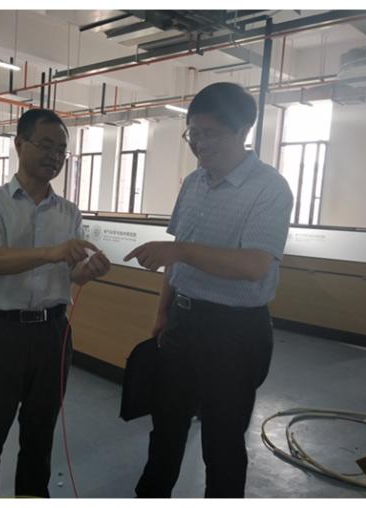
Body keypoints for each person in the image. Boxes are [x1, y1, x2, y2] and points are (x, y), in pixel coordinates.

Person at [126, 82, 294, 498]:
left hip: (235, 332)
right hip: (182, 321)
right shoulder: (193, 183)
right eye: (193, 133)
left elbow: (254, 265)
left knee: (222, 440)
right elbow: (176, 256)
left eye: (210, 133)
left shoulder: (269, 188)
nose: (199, 143)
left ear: (242, 131)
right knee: (166, 427)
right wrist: (162, 312)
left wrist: (180, 250)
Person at [0, 108, 112, 498]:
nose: (54, 156)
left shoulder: (69, 212)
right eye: (46, 145)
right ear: (19, 144)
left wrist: (89, 270)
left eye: (61, 150)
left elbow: (72, 273)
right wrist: (51, 252)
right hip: (1, 333)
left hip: (53, 335)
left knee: (39, 436)